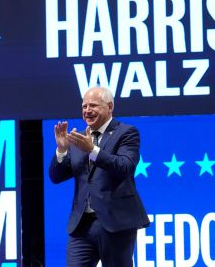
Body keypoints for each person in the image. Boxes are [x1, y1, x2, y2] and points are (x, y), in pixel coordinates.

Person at [49, 86, 150, 267]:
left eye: (93, 105)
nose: (87, 111)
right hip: (81, 225)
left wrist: (93, 150)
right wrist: (62, 150)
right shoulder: (78, 138)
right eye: (84, 106)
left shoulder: (126, 133)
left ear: (110, 107)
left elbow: (125, 167)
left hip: (115, 223)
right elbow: (56, 177)